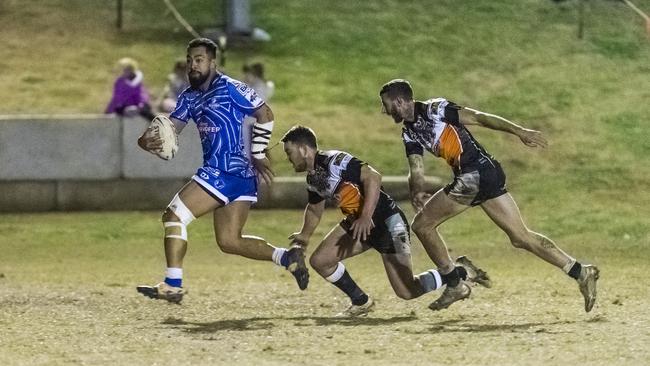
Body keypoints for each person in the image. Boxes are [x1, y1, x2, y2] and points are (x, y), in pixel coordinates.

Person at [378, 79, 600, 312]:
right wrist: (416, 191)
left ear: (400, 101)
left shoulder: (436, 109)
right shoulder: (409, 132)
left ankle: (455, 282)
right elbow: (416, 168)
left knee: (423, 225)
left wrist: (519, 131)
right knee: (520, 237)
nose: (384, 110)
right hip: (483, 174)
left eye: (386, 104)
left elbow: (478, 117)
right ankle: (580, 271)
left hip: (475, 174)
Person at [135, 38, 308, 304]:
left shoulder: (231, 88)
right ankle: (288, 257)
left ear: (213, 63)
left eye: (199, 60)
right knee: (229, 241)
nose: (193, 65)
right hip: (237, 178)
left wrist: (259, 152)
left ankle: (172, 285)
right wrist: (147, 141)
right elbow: (171, 132)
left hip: (225, 171)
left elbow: (266, 114)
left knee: (174, 216)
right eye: (191, 60)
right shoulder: (189, 97)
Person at [281, 125, 491, 317]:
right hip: (359, 225)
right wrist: (304, 236)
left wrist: (365, 216)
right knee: (320, 261)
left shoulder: (334, 161)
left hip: (387, 222)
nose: (288, 158)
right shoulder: (312, 178)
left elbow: (373, 177)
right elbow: (315, 209)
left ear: (302, 149)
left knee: (407, 291)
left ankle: (461, 272)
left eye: (289, 152)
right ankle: (361, 301)